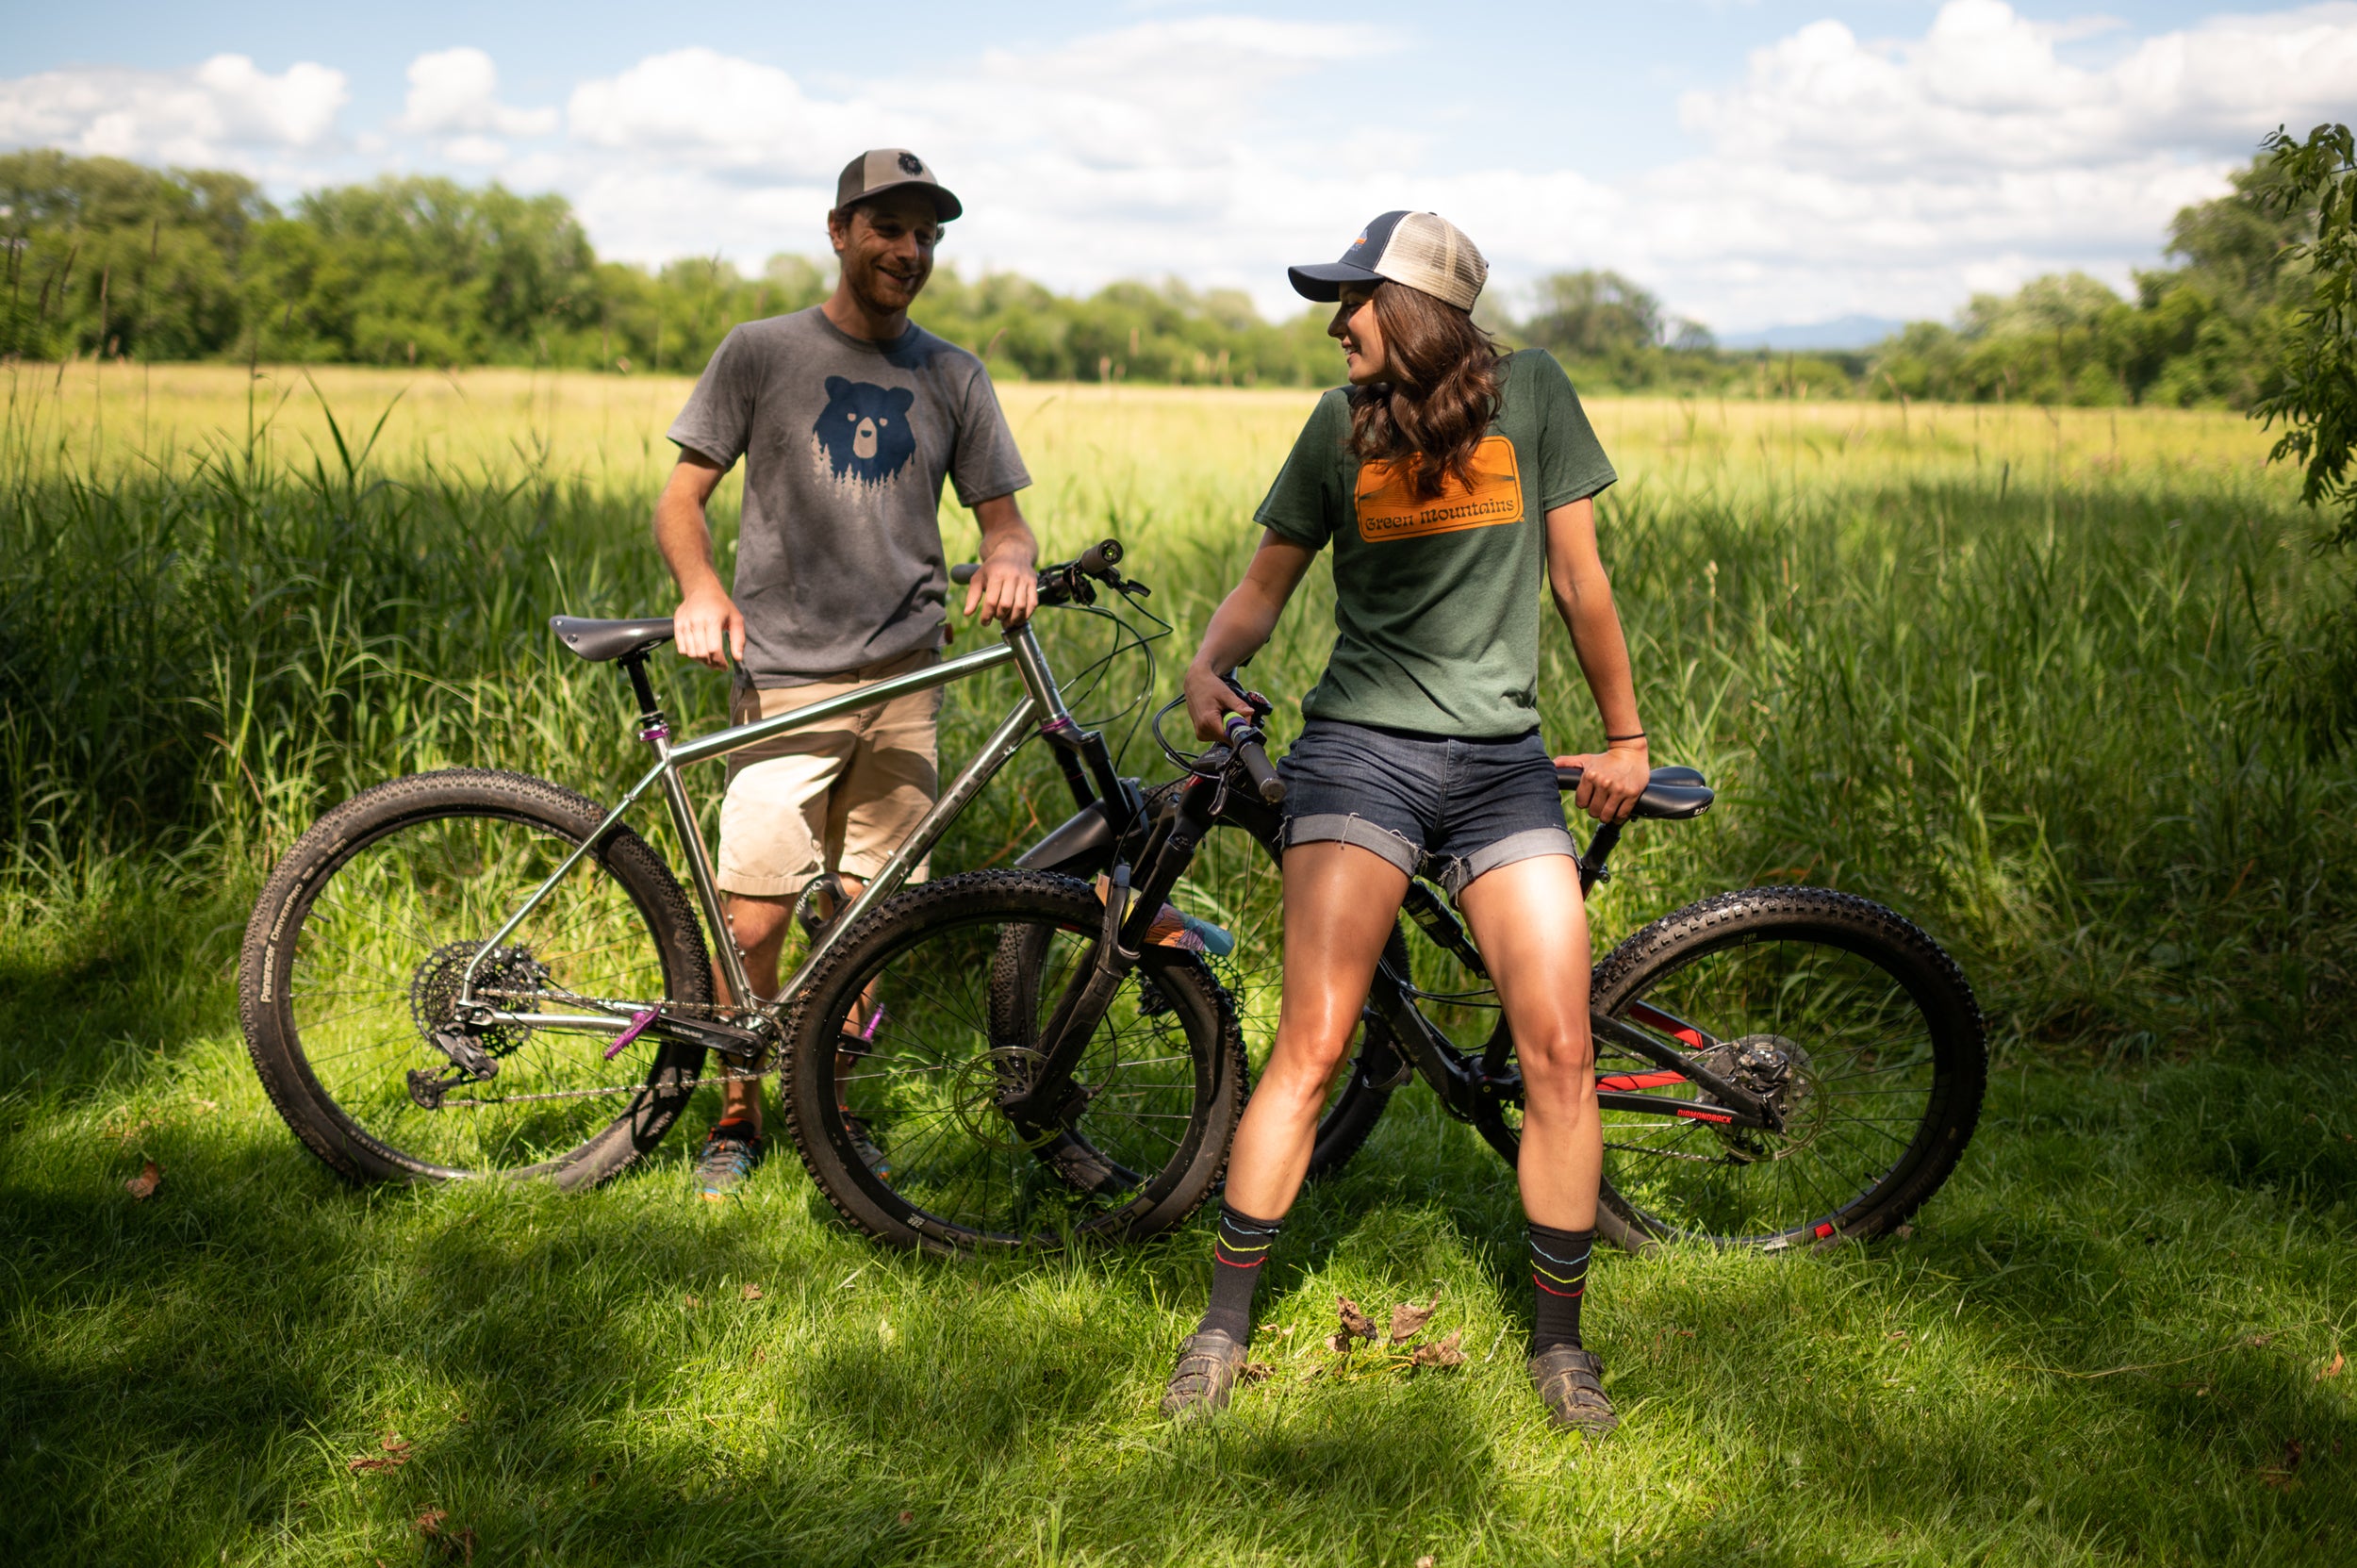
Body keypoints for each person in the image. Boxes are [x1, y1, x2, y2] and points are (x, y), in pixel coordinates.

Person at [1162, 211, 1649, 1433]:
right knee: (1314, 1043)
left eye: (1354, 300)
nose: (1336, 322)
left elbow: (1579, 579)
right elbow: (1265, 583)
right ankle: (1221, 1326)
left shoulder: (1534, 395)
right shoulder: (1338, 427)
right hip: (1360, 757)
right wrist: (1210, 661)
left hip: (1502, 767)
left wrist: (1627, 734)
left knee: (1561, 1051)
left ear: (1420, 308)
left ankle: (1559, 1347)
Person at [655, 149, 1041, 1200]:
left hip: (904, 683)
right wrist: (701, 592)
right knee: (756, 915)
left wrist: (1008, 558)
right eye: (889, 228)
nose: (908, 251)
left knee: (872, 920)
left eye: (926, 235)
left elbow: (1002, 523)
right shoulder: (761, 352)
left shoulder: (953, 375)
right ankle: (736, 1114)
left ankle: (829, 1103)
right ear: (839, 231)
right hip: (784, 676)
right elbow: (680, 500)